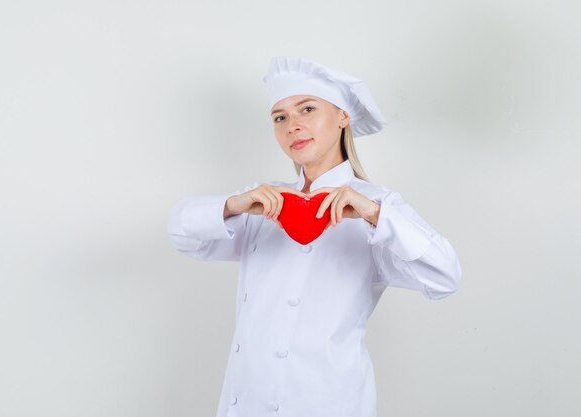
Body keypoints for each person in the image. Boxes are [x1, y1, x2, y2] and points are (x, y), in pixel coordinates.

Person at [167, 56, 462, 417]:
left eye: (307, 109)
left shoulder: (378, 206)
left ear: (342, 117)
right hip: (247, 401)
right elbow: (182, 233)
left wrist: (373, 215)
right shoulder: (265, 201)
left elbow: (446, 277)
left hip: (326, 402)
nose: (293, 125)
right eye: (280, 117)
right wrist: (233, 205)